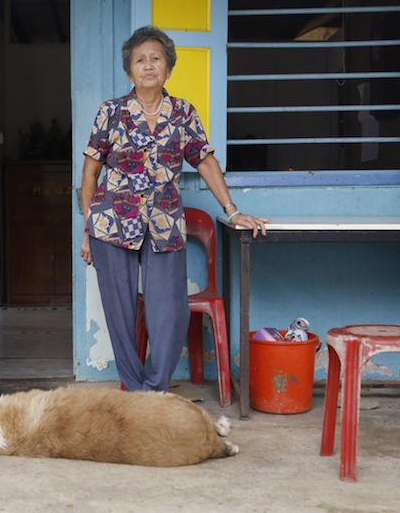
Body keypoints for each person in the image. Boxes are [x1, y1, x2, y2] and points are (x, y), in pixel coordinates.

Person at [80, 26, 270, 392]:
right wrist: (87, 229)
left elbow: (205, 161)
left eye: (156, 58)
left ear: (168, 67)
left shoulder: (183, 113)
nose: (148, 65)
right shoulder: (111, 112)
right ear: (129, 70)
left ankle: (155, 391)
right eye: (140, 59)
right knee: (119, 313)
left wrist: (233, 211)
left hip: (164, 223)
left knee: (169, 313)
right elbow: (90, 174)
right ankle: (135, 393)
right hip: (110, 224)